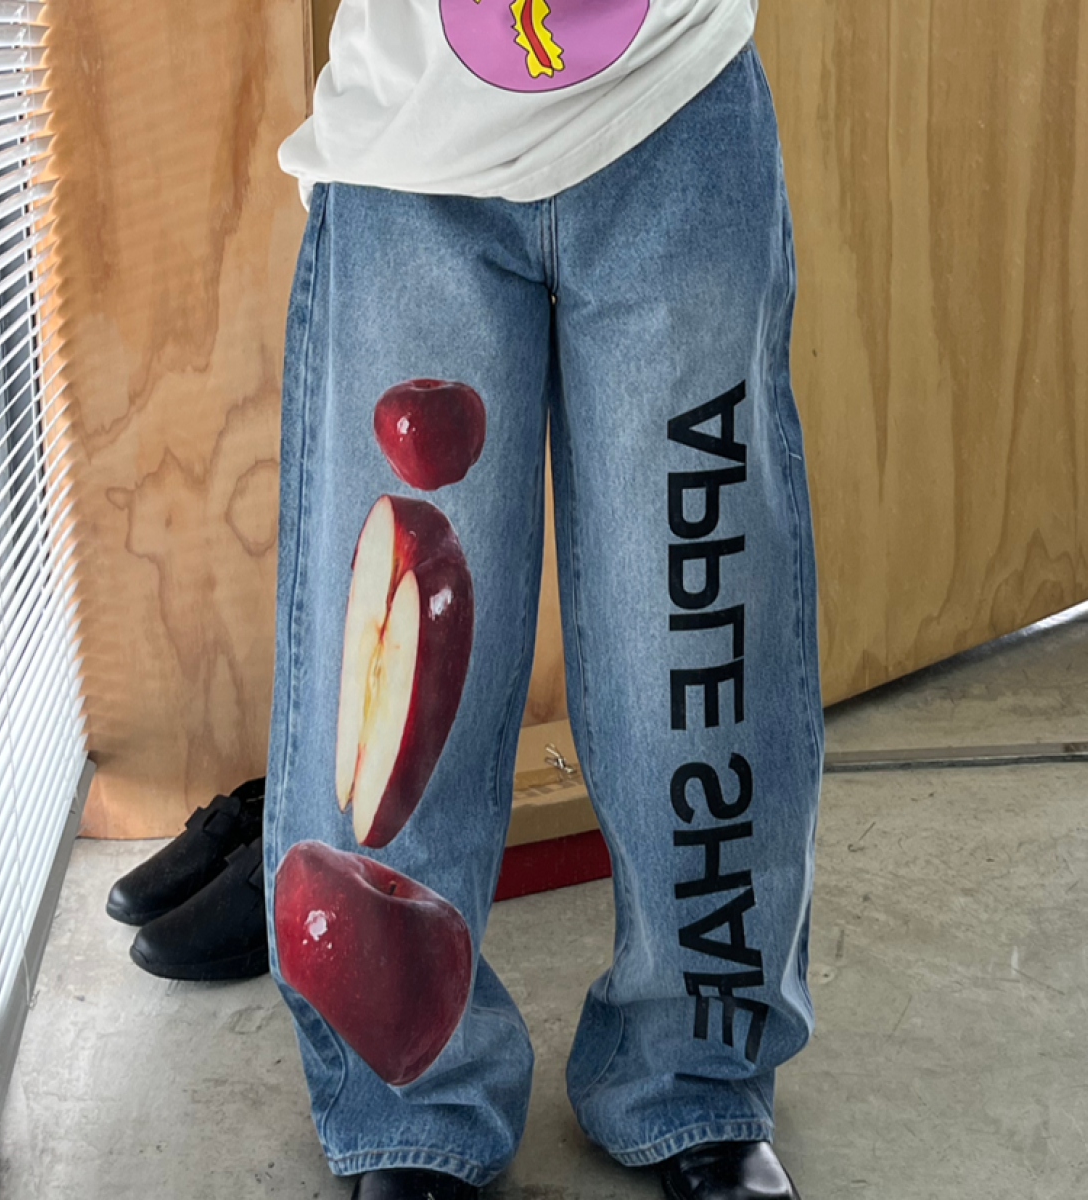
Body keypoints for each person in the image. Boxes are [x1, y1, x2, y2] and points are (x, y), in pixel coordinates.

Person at [264, 2, 824, 1197]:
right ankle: (410, 1096)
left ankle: (698, 1070)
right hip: (413, 139)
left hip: (675, 92)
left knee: (697, 632)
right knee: (400, 686)